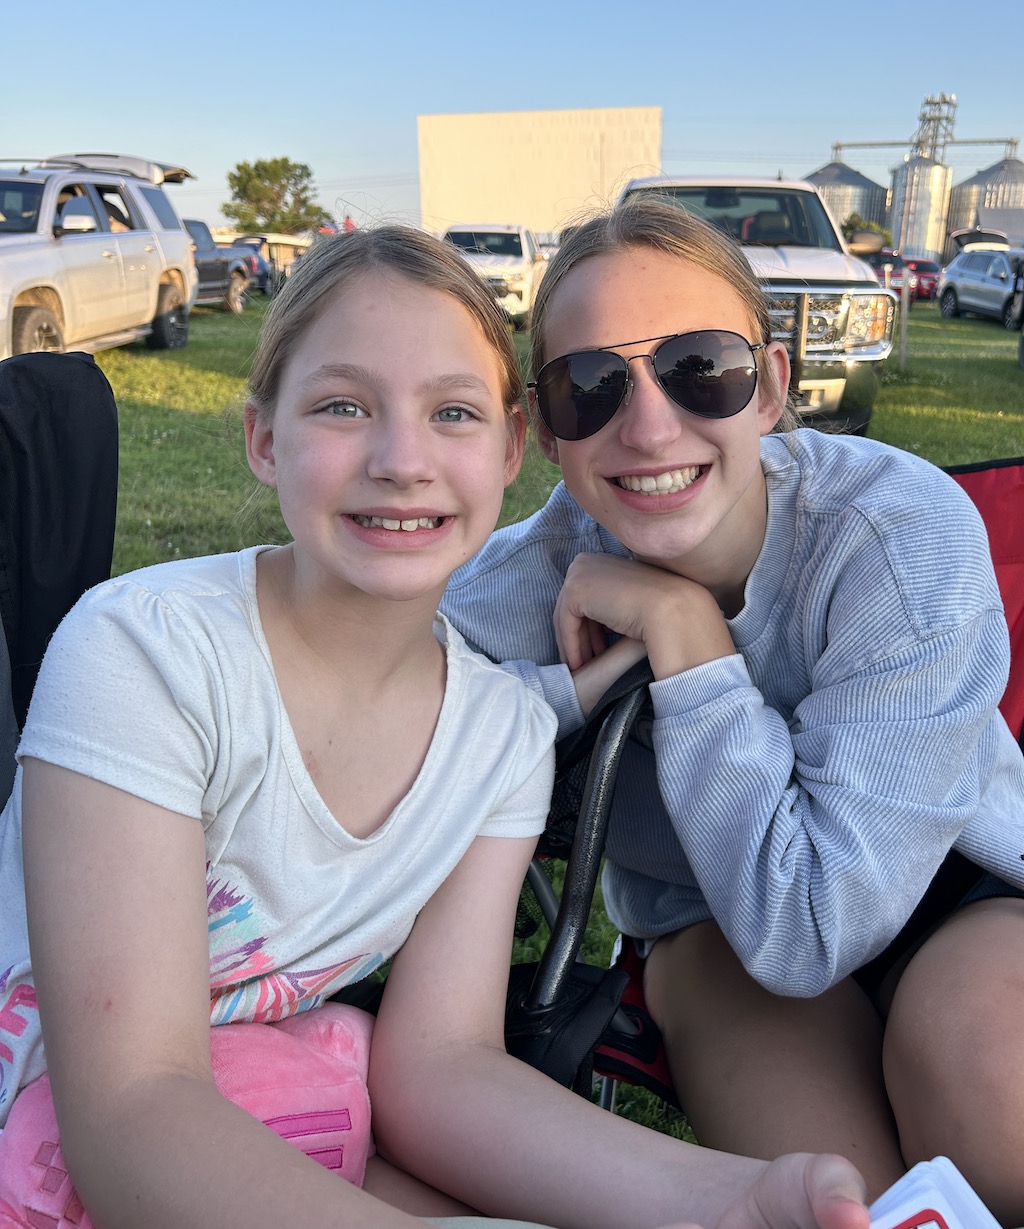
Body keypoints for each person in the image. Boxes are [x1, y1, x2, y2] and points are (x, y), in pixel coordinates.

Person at [0, 224, 871, 1229]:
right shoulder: (149, 653)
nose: (402, 461)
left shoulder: (496, 737)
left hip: (265, 1106)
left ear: (510, 450)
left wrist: (734, 1198)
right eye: (342, 406)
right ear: (263, 438)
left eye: (451, 413)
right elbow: (131, 1115)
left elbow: (443, 1068)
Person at [441, 197, 1024, 1224]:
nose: (650, 424)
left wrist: (688, 642)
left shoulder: (893, 532)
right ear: (544, 434)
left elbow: (817, 920)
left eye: (700, 366)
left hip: (950, 881)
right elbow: (364, 710)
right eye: (591, 387)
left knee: (999, 1108)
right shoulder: (515, 589)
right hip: (715, 932)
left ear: (770, 390)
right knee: (849, 1206)